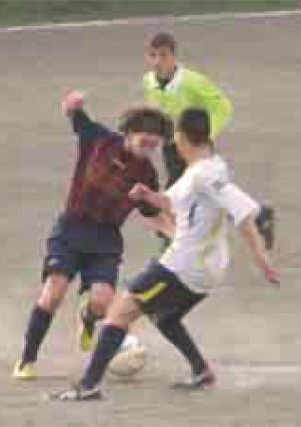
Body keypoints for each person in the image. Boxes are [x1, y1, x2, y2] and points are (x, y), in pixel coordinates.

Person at [50, 108, 280, 401]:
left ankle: (88, 386)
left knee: (120, 311)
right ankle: (201, 371)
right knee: (164, 316)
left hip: (184, 265)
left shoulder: (206, 176)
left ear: (182, 138)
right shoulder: (207, 167)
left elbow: (243, 212)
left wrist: (261, 257)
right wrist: (148, 196)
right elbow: (174, 201)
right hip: (206, 266)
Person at [12, 91, 174, 380]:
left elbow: (151, 213)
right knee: (53, 292)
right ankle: (27, 359)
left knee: (102, 302)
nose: (149, 149)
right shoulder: (99, 139)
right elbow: (73, 113)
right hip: (71, 230)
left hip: (106, 240)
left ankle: (87, 316)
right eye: (144, 142)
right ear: (129, 133)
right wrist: (73, 104)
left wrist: (177, 236)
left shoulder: (147, 173)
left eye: (154, 144)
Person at [143, 32, 275, 249]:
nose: (158, 61)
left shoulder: (193, 82)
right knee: (209, 191)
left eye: (163, 55)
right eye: (153, 55)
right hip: (171, 147)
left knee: (180, 190)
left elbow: (222, 107)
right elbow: (157, 112)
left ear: (173, 56)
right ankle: (258, 216)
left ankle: (171, 240)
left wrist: (204, 136)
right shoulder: (149, 81)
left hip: (195, 146)